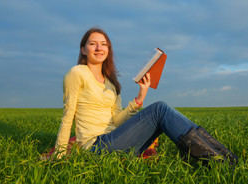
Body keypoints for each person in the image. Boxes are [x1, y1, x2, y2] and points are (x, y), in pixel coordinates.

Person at [54, 27, 238, 164]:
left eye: (104, 44)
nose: (99, 48)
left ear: (108, 50)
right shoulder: (77, 73)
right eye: (92, 43)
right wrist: (59, 156)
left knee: (160, 110)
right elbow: (68, 115)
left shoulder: (111, 83)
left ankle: (224, 158)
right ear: (83, 49)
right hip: (96, 147)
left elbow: (117, 121)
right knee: (160, 109)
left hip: (115, 139)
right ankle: (216, 161)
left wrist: (140, 96)